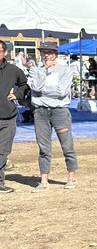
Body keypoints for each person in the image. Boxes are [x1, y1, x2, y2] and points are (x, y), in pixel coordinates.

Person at [28, 40, 78, 191]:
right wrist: (45, 74)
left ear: (55, 54)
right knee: (43, 147)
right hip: (41, 111)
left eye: (50, 52)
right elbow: (34, 87)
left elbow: (62, 92)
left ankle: (71, 178)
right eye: (44, 52)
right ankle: (44, 181)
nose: (47, 55)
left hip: (59, 111)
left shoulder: (65, 70)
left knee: (67, 145)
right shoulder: (35, 70)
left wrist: (42, 90)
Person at [0, 40, 29, 194]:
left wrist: (16, 94)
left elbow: (24, 85)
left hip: (7, 117)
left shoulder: (14, 70)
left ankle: (0, 182)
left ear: (4, 52)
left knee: (3, 151)